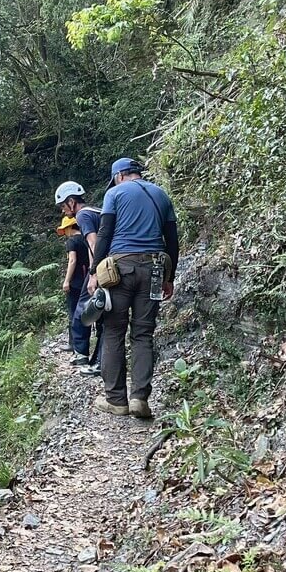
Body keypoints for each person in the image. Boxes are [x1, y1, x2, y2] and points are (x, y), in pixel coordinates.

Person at [87, 158, 178, 418]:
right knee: (143, 334)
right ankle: (139, 398)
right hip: (155, 269)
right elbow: (172, 240)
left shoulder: (114, 194)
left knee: (114, 330)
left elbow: (105, 234)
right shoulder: (161, 194)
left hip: (120, 269)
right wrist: (169, 277)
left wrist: (93, 272)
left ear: (119, 176)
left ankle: (116, 400)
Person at [54, 181, 103, 375]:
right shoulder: (98, 212)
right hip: (114, 265)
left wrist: (93, 273)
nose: (63, 210)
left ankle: (82, 353)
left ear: (72, 201)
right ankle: (99, 360)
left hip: (101, 269)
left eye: (63, 205)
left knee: (82, 311)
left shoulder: (83, 215)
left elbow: (93, 242)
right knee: (104, 317)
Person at [56, 216, 88, 354]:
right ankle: (83, 345)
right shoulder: (87, 238)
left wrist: (67, 281)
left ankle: (74, 344)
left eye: (65, 229)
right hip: (88, 280)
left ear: (70, 227)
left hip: (75, 283)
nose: (65, 233)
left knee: (73, 313)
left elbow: (72, 261)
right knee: (86, 313)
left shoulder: (72, 241)